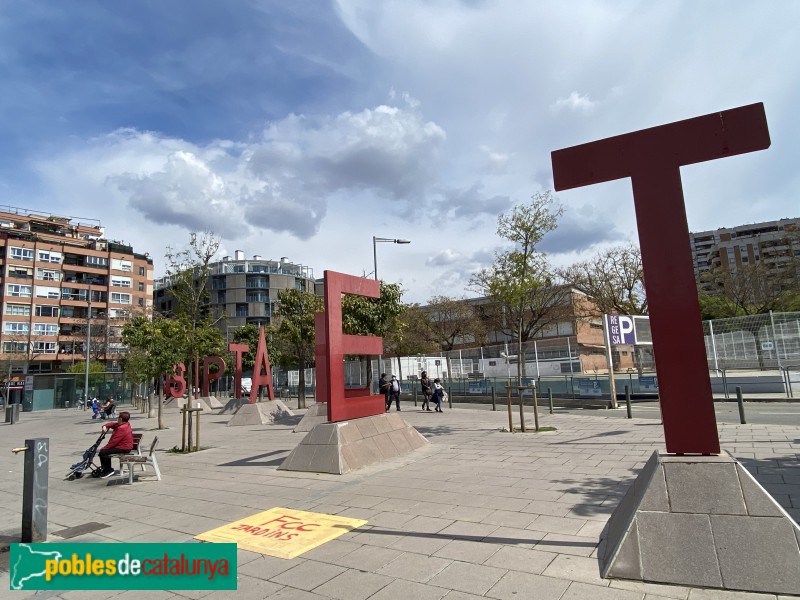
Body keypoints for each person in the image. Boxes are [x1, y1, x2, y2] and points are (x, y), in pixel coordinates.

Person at [98, 411, 133, 478]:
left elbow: (114, 441)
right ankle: (106, 469)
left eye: (119, 417)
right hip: (123, 446)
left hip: (124, 448)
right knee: (104, 451)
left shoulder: (122, 428)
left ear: (121, 419)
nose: (117, 418)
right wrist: (105, 426)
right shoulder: (124, 424)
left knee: (103, 452)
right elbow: (113, 424)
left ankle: (108, 470)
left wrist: (105, 448)